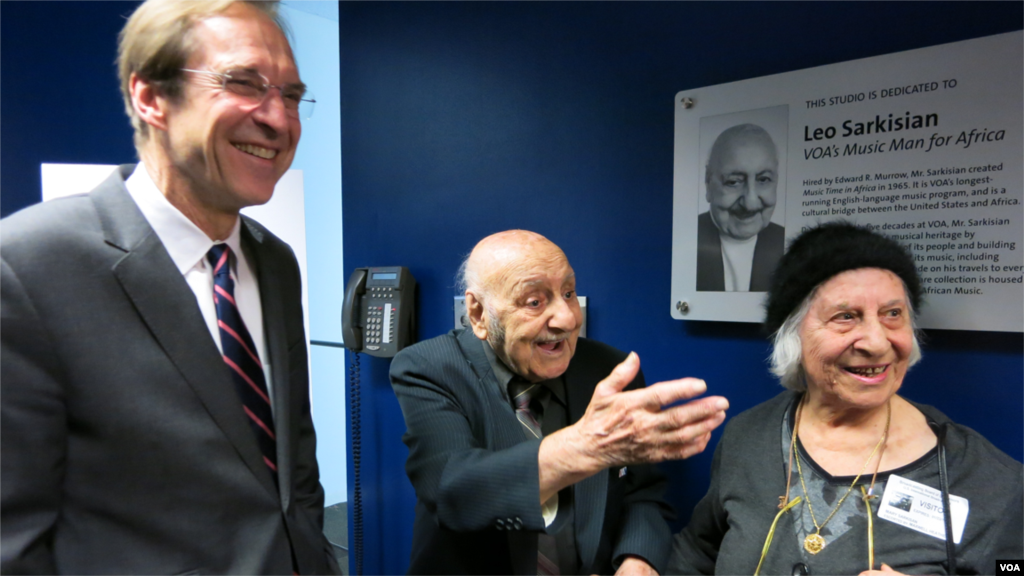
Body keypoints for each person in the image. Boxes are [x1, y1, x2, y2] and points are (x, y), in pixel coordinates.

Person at [0, 1, 340, 574]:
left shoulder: (273, 263)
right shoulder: (29, 265)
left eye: (290, 94)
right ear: (150, 97)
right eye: (243, 83)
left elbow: (292, 476)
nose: (279, 120)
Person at [669, 222, 1024, 575]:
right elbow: (697, 551)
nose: (876, 342)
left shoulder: (988, 478)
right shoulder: (747, 437)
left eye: (892, 314)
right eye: (846, 316)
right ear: (794, 334)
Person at [390, 230, 730, 576]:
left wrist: (638, 558)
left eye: (568, 293)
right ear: (478, 314)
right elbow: (454, 492)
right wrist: (586, 447)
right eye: (534, 301)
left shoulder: (609, 370)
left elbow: (642, 492)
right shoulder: (427, 367)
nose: (568, 319)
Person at [696, 123, 784, 292]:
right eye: (734, 182)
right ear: (708, 183)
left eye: (763, 180)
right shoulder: (686, 239)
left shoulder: (788, 244)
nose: (750, 203)